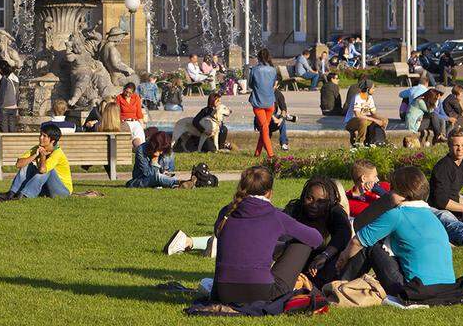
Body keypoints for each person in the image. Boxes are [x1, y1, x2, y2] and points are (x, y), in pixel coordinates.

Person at [335, 166, 457, 301]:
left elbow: (357, 241)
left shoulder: (397, 215)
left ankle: (340, 284)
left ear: (401, 193)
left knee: (370, 245)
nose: (388, 194)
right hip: (447, 289)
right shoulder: (431, 217)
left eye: (391, 189)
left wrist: (343, 257)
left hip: (414, 290)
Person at [210, 165, 323, 304]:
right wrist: (286, 247)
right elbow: (316, 238)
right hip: (262, 293)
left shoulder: (226, 212)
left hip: (223, 293)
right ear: (269, 193)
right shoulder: (275, 216)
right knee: (303, 244)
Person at [282, 176, 352, 286]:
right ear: (304, 196)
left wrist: (325, 255)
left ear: (329, 201)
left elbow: (343, 235)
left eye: (321, 202)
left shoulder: (335, 212)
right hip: (293, 258)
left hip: (324, 262)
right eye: (309, 198)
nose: (314, 205)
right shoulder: (296, 209)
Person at [6, 123, 72, 199]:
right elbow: (18, 164)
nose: (40, 138)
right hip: (46, 188)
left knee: (46, 170)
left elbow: (42, 170)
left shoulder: (57, 153)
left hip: (62, 191)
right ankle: (12, 193)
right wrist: (35, 155)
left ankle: (25, 196)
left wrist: (43, 156)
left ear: (52, 141)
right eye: (40, 135)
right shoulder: (38, 148)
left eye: (44, 136)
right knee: (27, 165)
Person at [126, 129, 197, 189]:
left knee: (160, 177)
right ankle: (181, 183)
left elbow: (170, 171)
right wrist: (154, 160)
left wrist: (166, 174)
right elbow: (147, 174)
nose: (161, 152)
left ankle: (179, 185)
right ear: (154, 145)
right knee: (157, 177)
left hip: (161, 179)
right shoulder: (141, 150)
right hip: (142, 179)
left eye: (163, 149)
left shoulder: (166, 151)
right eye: (160, 149)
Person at [247, 48, 279, 158]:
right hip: (270, 102)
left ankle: (271, 154)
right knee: (264, 128)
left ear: (258, 58)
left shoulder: (254, 70)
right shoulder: (273, 70)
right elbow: (273, 84)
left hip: (258, 102)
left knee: (264, 128)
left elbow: (250, 85)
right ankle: (257, 153)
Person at [344, 80, 386, 146]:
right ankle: (359, 142)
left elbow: (374, 113)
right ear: (367, 89)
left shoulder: (370, 98)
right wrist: (375, 120)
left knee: (383, 120)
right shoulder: (357, 97)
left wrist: (381, 120)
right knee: (363, 121)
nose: (374, 90)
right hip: (352, 121)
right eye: (373, 88)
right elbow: (358, 115)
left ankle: (374, 140)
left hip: (366, 119)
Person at [116, 82, 146, 147]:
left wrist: (142, 124)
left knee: (139, 138)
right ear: (124, 90)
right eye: (126, 92)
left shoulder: (136, 97)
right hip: (124, 122)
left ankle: (140, 150)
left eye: (130, 93)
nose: (127, 94)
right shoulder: (119, 98)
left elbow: (139, 112)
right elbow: (116, 112)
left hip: (135, 121)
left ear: (133, 92)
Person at [0, 61, 18, 133]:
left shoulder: (4, 79)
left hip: (4, 107)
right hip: (14, 107)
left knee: (4, 131)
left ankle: (5, 144)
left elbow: (1, 95)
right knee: (12, 129)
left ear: (1, 70)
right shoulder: (15, 78)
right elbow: (17, 94)